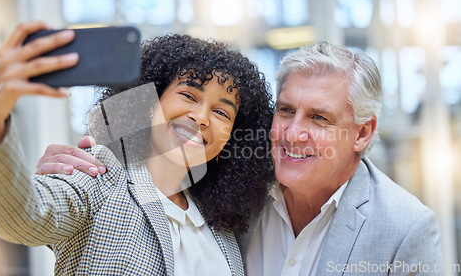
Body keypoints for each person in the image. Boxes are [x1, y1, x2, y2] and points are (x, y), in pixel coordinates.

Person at [40, 41, 444, 275]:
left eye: (319, 118)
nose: (293, 132)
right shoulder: (239, 182)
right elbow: (168, 116)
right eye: (285, 110)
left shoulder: (407, 228)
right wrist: (86, 154)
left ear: (363, 133)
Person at [0, 21, 275, 275]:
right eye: (189, 95)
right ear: (150, 103)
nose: (201, 117)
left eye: (221, 112)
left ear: (230, 138)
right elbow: (22, 216)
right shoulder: (101, 175)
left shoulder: (220, 223)